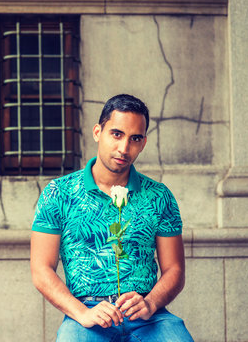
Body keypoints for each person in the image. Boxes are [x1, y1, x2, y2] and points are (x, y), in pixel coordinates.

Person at [30, 94, 194, 341]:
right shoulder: (58, 193)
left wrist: (150, 303)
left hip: (148, 315)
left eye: (135, 139)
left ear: (144, 143)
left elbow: (175, 269)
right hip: (87, 314)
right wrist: (82, 313)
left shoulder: (159, 196)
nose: (124, 148)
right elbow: (41, 269)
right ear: (98, 132)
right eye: (116, 134)